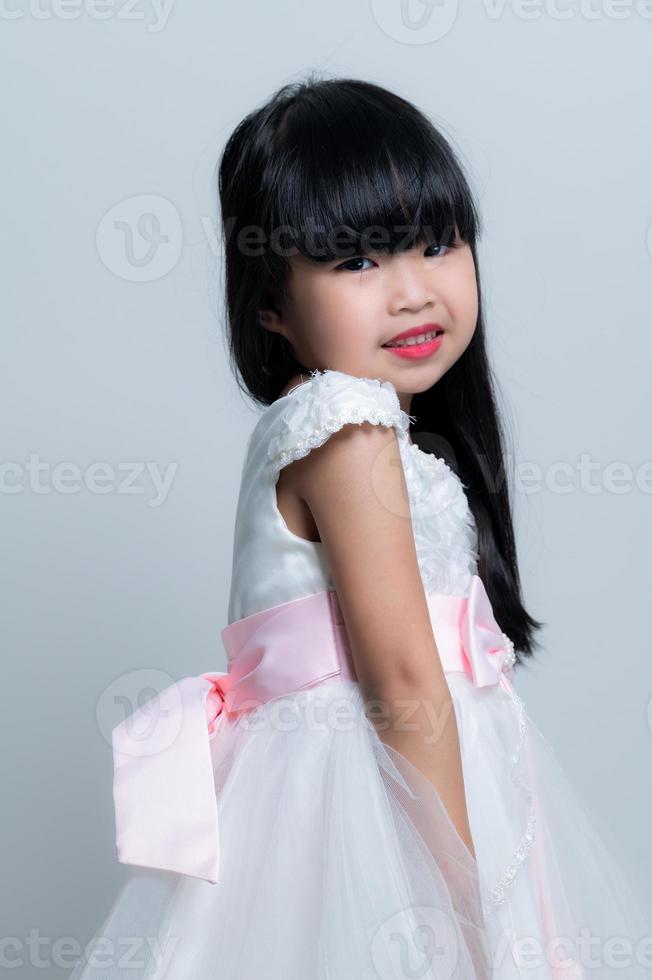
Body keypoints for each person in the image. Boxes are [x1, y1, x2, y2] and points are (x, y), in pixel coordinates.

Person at [70, 75, 652, 979]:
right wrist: (469, 911)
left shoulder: (370, 428)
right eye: (357, 261)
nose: (414, 290)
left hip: (418, 777)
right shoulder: (344, 424)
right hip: (379, 801)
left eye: (437, 243)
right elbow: (402, 676)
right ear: (271, 303)